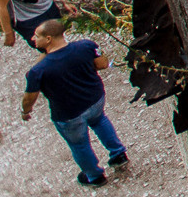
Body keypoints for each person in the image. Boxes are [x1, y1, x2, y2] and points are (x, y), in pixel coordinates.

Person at [21, 18, 127, 187]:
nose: (33, 39)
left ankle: (95, 176)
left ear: (48, 39)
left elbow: (29, 98)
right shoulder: (86, 46)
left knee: (79, 144)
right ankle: (119, 154)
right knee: (100, 121)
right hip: (95, 100)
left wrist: (25, 111)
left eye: (36, 36)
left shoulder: (38, 71)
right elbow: (102, 64)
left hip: (69, 115)